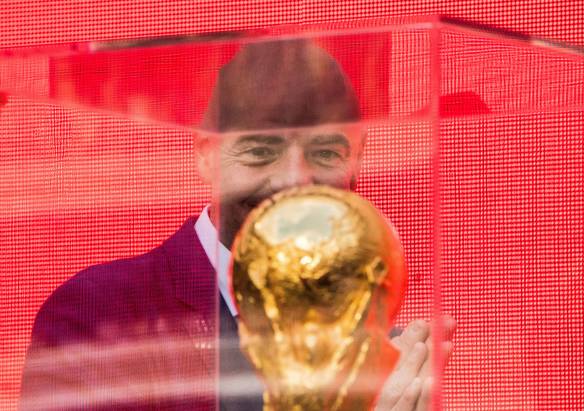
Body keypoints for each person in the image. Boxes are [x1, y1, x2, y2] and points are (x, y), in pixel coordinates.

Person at [20, 39, 455, 411]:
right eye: (260, 152)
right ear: (205, 155)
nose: (293, 180)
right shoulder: (98, 314)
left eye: (325, 154)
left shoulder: (382, 354)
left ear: (356, 164)